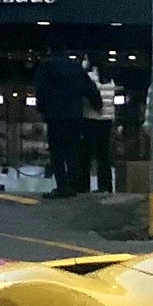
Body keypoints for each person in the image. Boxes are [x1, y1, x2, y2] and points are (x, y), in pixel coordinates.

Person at [32, 52, 100, 198]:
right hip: (74, 116)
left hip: (55, 116)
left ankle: (61, 186)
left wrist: (42, 109)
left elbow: (41, 89)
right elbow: (88, 87)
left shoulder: (46, 66)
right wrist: (97, 103)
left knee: (57, 153)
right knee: (72, 152)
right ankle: (72, 185)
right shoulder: (75, 67)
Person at [81, 58, 118, 194]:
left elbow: (87, 96)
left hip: (90, 119)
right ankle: (105, 186)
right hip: (107, 120)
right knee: (104, 156)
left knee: (86, 155)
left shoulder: (89, 77)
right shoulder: (109, 79)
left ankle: (83, 186)